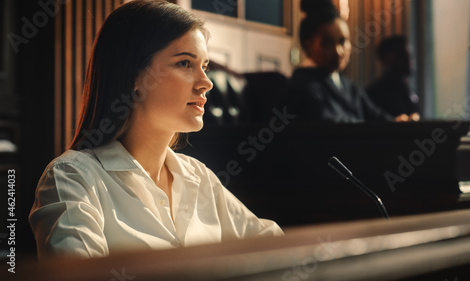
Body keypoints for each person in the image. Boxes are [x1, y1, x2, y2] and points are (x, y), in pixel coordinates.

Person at [29, 0, 283, 261]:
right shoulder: (71, 179)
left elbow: (275, 248)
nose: (206, 82)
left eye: (204, 66)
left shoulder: (199, 177)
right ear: (135, 78)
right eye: (184, 63)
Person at [287, 0, 411, 123]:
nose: (338, 51)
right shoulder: (302, 86)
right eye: (327, 43)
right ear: (308, 44)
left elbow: (376, 116)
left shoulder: (348, 86)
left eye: (342, 41)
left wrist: (398, 122)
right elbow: (331, 125)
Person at [366, 35, 420, 120]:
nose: (409, 59)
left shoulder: (408, 90)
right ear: (387, 60)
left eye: (410, 54)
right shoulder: (373, 95)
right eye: (403, 55)